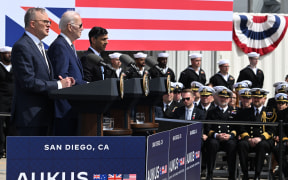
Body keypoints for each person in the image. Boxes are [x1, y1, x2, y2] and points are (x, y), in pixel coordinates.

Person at [11, 8, 74, 136]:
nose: (49, 25)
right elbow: (28, 82)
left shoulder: (40, 46)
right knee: (30, 156)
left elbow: (44, 78)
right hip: (30, 120)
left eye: (49, 22)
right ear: (33, 24)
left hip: (45, 117)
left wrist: (61, 82)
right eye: (45, 21)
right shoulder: (22, 47)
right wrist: (58, 85)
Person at [47, 10, 87, 136]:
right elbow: (61, 77)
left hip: (72, 108)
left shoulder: (68, 46)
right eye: (80, 25)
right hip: (64, 110)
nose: (82, 28)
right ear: (70, 27)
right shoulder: (60, 46)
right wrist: (86, 84)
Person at [236, 88, 275, 180]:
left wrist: (260, 138)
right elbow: (242, 128)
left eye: (259, 98)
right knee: (242, 144)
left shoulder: (270, 112)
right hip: (249, 139)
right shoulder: (245, 112)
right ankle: (245, 174)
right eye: (254, 97)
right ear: (252, 98)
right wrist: (248, 138)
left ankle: (257, 175)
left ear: (264, 99)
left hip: (263, 140)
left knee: (262, 145)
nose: (256, 100)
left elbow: (272, 129)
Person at [204, 87, 238, 180]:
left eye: (226, 98)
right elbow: (207, 128)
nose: (224, 99)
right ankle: (209, 174)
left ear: (229, 99)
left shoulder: (234, 111)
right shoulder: (211, 112)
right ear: (218, 98)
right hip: (216, 139)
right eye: (222, 97)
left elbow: (237, 128)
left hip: (229, 139)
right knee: (211, 143)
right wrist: (216, 135)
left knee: (232, 145)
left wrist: (230, 135)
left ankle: (232, 175)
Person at [0, 46, 13, 157]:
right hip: (1, 102)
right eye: (6, 53)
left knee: (11, 126)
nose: (9, 55)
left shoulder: (16, 68)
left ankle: (10, 149)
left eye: (10, 53)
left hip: (13, 102)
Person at [273, 93, 288, 179]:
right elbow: (281, 128)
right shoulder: (282, 113)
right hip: (285, 140)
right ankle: (286, 173)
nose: (281, 105)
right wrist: (285, 139)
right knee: (277, 149)